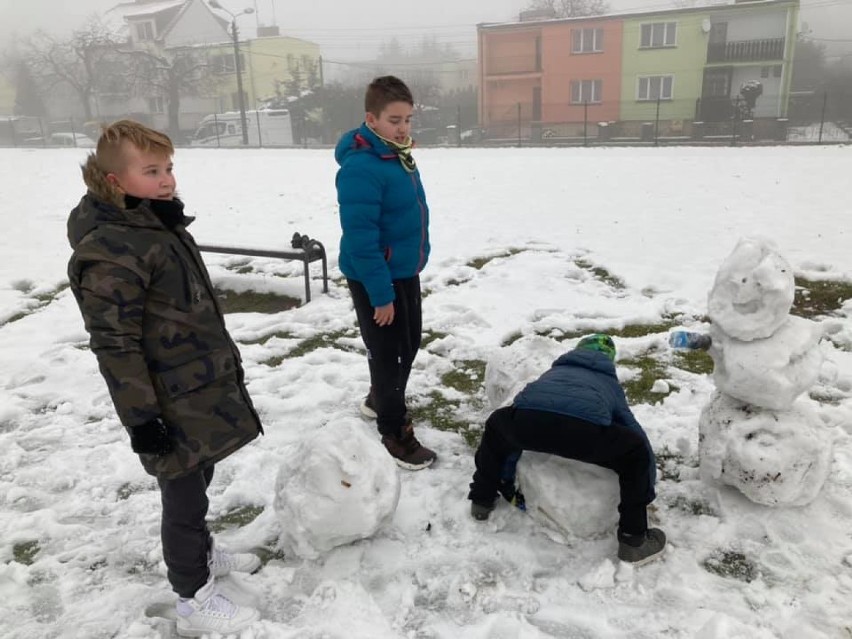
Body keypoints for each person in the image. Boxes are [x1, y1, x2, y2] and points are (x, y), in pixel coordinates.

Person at [66, 120, 263, 635]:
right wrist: (142, 418)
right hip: (163, 400)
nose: (167, 179)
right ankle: (192, 597)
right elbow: (115, 342)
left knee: (201, 476)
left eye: (169, 167)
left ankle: (203, 555)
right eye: (151, 171)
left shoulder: (156, 225)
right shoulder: (112, 248)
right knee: (183, 497)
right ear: (113, 181)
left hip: (193, 391)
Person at [468, 334, 666, 565]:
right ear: (609, 361)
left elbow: (527, 400)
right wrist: (647, 482)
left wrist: (508, 470)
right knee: (635, 453)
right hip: (582, 435)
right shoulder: (609, 384)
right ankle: (634, 540)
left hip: (529, 425)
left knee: (497, 425)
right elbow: (633, 431)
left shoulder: (554, 372)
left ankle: (481, 500)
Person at [334, 75, 436, 470]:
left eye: (408, 119)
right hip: (375, 274)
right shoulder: (361, 168)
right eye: (395, 120)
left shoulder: (396, 154)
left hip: (403, 269)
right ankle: (394, 432)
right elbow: (361, 238)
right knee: (390, 354)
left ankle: (379, 399)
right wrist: (380, 294)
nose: (404, 127)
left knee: (408, 344)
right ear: (371, 119)